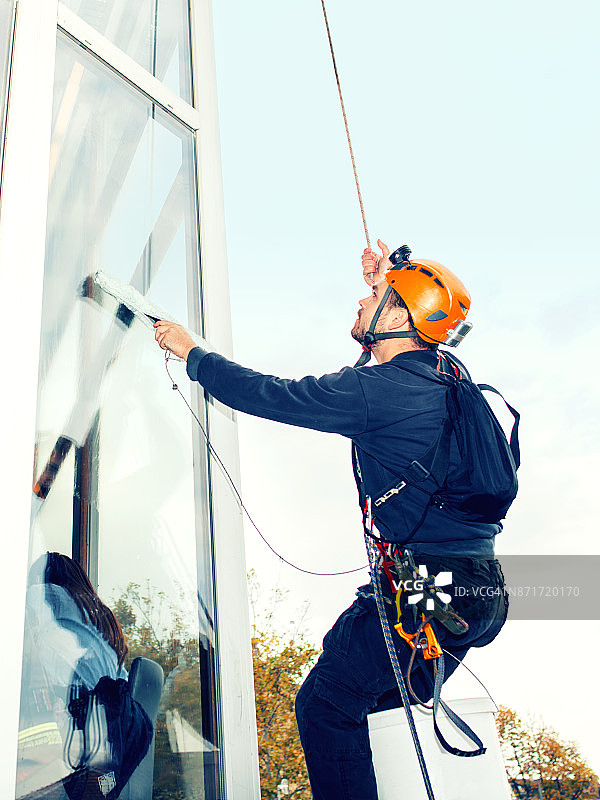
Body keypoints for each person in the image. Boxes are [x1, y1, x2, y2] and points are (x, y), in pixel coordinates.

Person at [154, 241, 512, 800]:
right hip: (476, 594)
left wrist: (192, 353)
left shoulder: (377, 392)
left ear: (396, 317)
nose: (361, 298)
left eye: (373, 297)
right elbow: (418, 328)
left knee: (326, 706)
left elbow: (268, 394)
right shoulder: (450, 376)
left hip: (430, 590)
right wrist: (390, 281)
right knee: (372, 711)